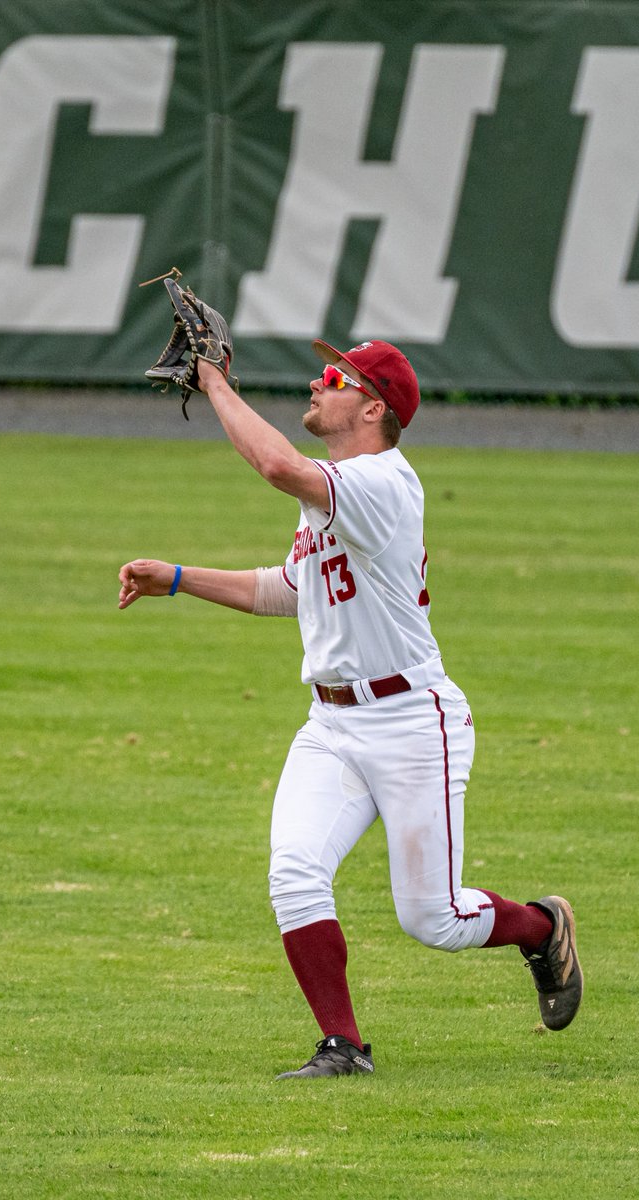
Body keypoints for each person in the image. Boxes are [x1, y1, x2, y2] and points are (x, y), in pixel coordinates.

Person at [118, 338, 582, 1078]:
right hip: (331, 725)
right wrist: (176, 577)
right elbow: (292, 591)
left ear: (373, 408)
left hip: (410, 725)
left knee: (434, 918)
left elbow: (274, 466)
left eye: (334, 378)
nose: (314, 381)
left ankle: (540, 925)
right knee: (294, 873)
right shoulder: (335, 488)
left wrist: (213, 384)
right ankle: (343, 1046)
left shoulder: (382, 483)